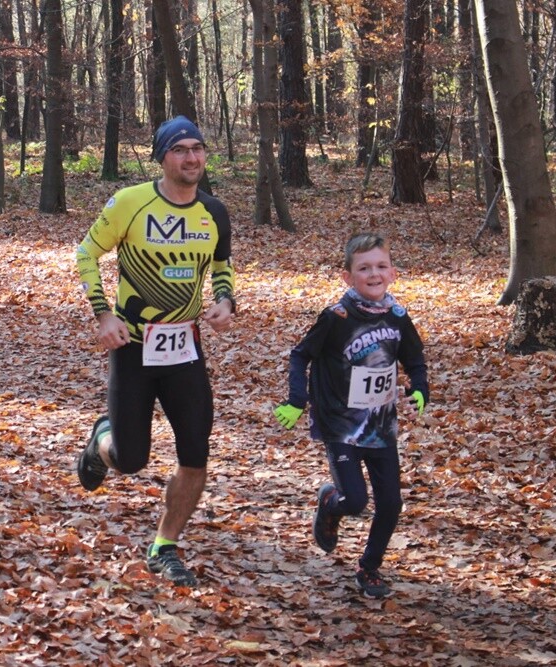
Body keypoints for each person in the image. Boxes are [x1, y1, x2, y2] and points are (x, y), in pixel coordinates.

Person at [74, 116, 236, 587]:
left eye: (198, 148)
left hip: (185, 348)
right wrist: (103, 314)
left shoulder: (214, 212)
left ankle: (165, 545)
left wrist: (225, 301)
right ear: (162, 158)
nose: (192, 158)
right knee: (131, 459)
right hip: (134, 346)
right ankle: (102, 440)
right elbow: (87, 253)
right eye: (181, 150)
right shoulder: (130, 203)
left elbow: (222, 267)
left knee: (195, 455)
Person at [272, 232, 428, 599]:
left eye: (381, 266)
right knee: (355, 501)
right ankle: (331, 502)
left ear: (393, 273)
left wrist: (420, 389)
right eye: (364, 268)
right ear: (347, 277)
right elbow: (300, 355)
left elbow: (415, 360)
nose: (374, 274)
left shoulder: (398, 317)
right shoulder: (336, 318)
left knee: (391, 503)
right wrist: (298, 399)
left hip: (379, 425)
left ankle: (369, 568)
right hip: (340, 424)